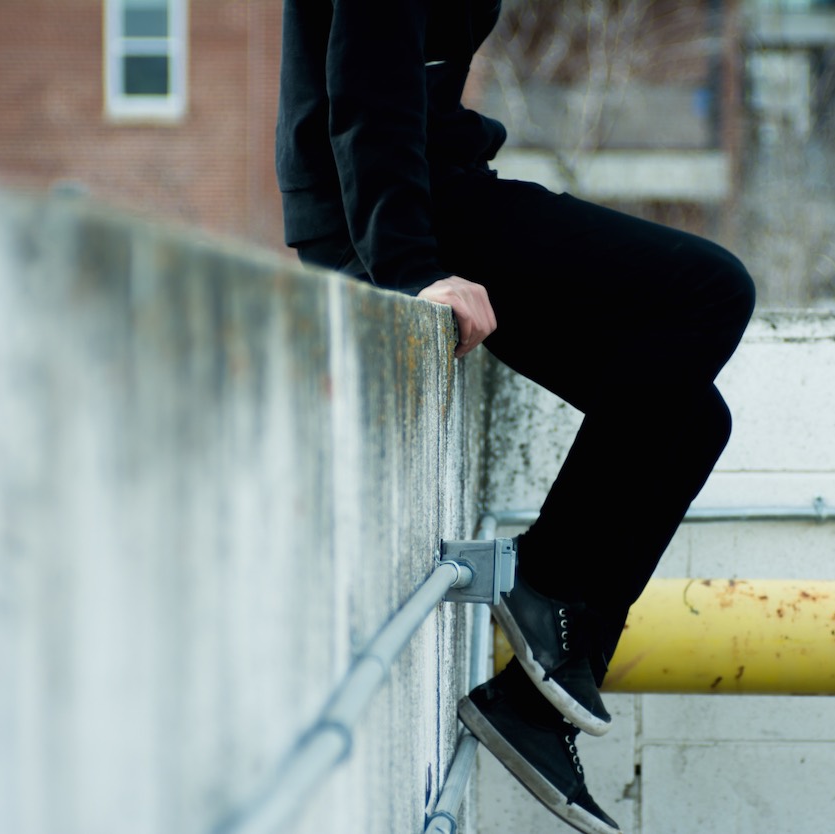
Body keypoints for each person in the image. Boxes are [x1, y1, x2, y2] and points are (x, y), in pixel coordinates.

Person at [277, 2, 754, 832]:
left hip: (438, 187)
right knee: (712, 290)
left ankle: (536, 703)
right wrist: (413, 269)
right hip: (401, 210)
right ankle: (542, 581)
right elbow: (365, 87)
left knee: (693, 418)